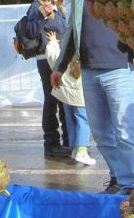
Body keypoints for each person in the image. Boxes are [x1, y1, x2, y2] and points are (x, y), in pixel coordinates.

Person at [51, 0, 134, 195]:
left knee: (124, 130)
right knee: (101, 132)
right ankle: (119, 177)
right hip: (89, 71)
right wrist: (59, 67)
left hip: (118, 69)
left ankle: (129, 184)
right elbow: (73, 31)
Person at [27, 0, 69, 159]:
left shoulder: (60, 8)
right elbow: (30, 31)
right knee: (51, 99)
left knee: (65, 99)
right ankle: (51, 143)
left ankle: (70, 140)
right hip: (45, 58)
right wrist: (43, 16)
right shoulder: (37, 6)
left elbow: (65, 30)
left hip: (61, 58)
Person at [44, 30, 95, 166]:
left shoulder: (64, 60)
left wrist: (53, 42)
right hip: (80, 98)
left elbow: (51, 55)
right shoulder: (86, 60)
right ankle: (82, 149)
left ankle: (73, 148)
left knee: (70, 120)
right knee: (83, 121)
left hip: (66, 97)